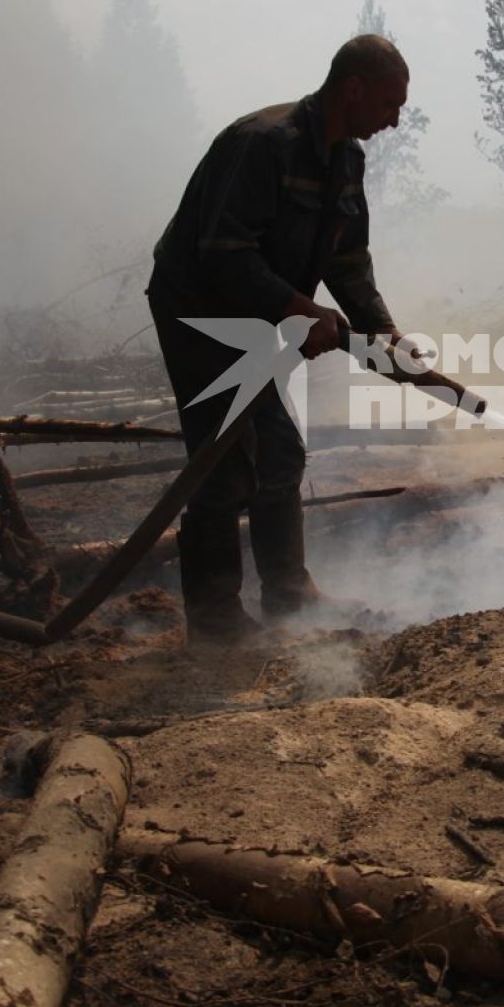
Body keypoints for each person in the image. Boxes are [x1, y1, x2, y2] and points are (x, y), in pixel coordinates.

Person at [146, 34, 408, 643]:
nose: (395, 120)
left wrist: (383, 330)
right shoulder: (264, 144)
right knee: (224, 462)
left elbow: (348, 261)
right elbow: (223, 253)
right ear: (353, 90)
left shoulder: (346, 159)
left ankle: (290, 595)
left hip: (261, 318)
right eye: (390, 104)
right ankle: (214, 622)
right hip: (201, 314)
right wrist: (297, 307)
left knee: (281, 452)